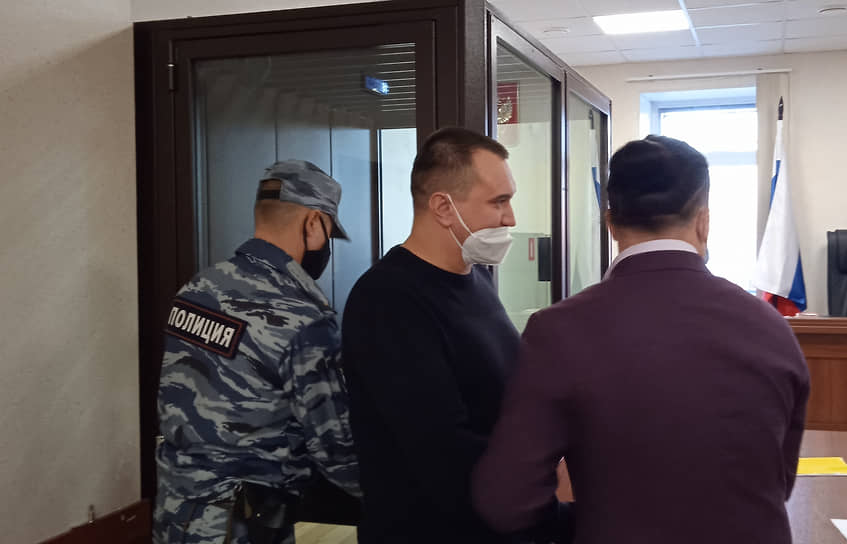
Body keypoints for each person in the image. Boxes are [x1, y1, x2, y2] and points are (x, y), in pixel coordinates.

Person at [472, 135, 810, 544]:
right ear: (703, 221)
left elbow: (507, 502)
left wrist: (585, 522)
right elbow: (778, 482)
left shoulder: (559, 331)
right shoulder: (771, 327)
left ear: (610, 223)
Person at [341, 127, 565, 543]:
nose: (511, 219)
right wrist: (549, 513)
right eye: (499, 201)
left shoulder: (476, 279)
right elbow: (443, 450)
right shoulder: (388, 300)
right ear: (443, 207)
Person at [153, 160, 361, 544]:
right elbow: (334, 447)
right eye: (329, 233)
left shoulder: (198, 289)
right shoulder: (302, 317)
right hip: (242, 524)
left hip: (177, 514)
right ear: (313, 222)